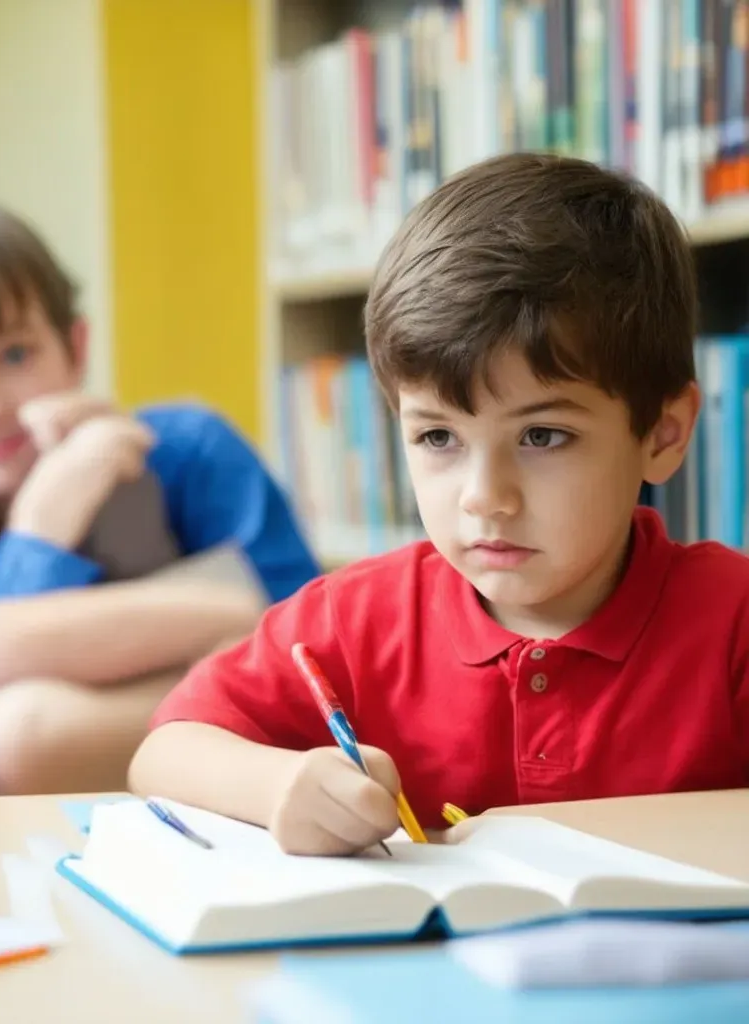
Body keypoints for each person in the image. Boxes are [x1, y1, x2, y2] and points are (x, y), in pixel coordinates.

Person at [129, 152, 749, 856]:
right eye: (437, 436)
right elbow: (165, 751)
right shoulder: (355, 619)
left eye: (542, 435)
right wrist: (279, 784)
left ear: (663, 435)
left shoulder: (732, 623)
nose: (485, 498)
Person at [0, 191, 320, 802]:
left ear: (76, 349)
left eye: (16, 354)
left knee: (22, 728)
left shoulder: (187, 450)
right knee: (17, 729)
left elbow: (306, 657)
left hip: (218, 836)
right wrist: (45, 522)